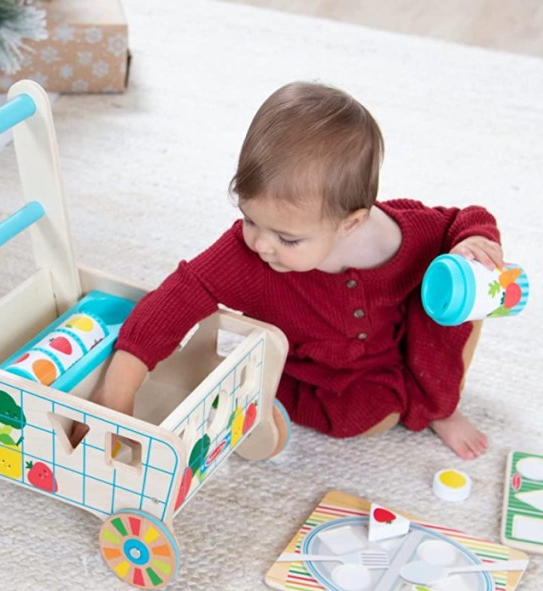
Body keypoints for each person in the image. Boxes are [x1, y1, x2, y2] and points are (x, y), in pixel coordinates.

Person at [84, 81, 505, 459]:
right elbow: (180, 295)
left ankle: (438, 406)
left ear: (351, 223)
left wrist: (473, 243)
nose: (261, 244)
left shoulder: (407, 234)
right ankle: (275, 407)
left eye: (287, 239)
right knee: (360, 419)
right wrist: (121, 383)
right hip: (314, 376)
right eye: (250, 219)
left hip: (402, 350)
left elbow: (465, 220)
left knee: (466, 289)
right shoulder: (249, 255)